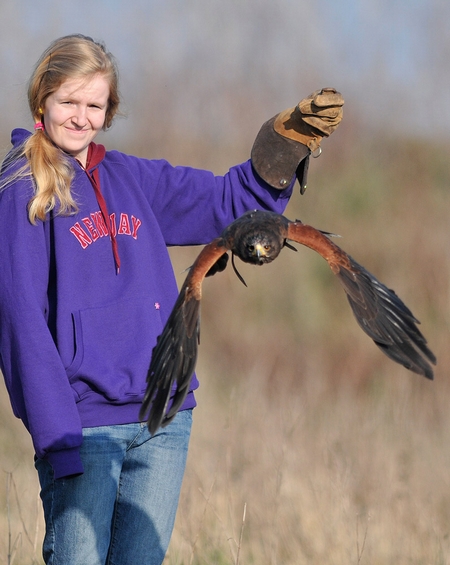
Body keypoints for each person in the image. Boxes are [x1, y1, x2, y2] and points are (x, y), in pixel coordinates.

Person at [0, 34, 343, 565]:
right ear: (41, 99)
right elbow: (21, 318)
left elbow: (226, 201)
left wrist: (280, 157)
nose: (80, 116)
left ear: (109, 110)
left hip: (164, 420)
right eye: (68, 101)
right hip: (85, 427)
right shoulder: (24, 186)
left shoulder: (132, 178)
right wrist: (58, 436)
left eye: (94, 105)